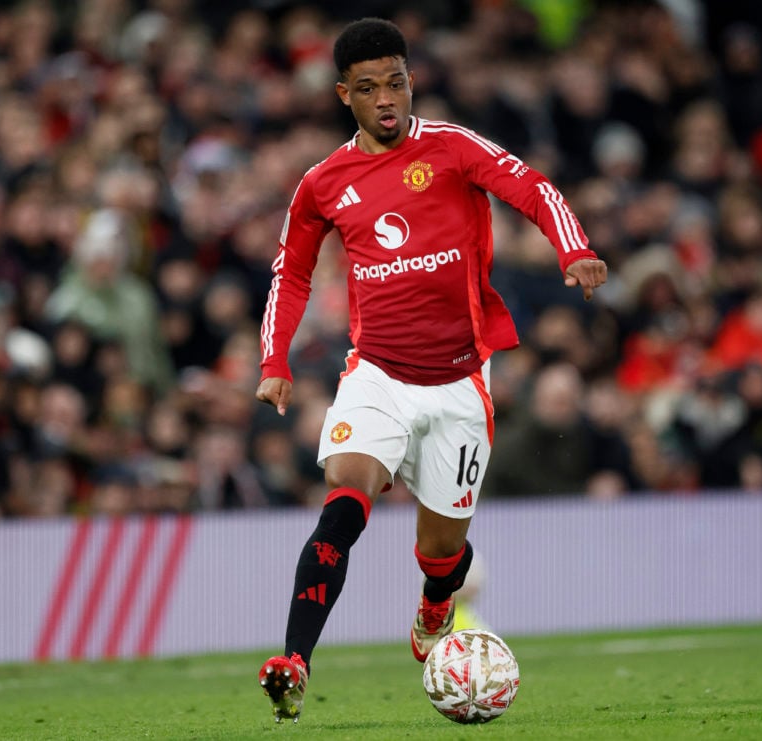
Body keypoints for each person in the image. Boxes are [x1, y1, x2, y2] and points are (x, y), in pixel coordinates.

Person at [253, 18, 607, 723]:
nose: (387, 98)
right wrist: (274, 360)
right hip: (376, 376)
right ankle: (294, 661)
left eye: (397, 81)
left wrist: (574, 249)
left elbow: (532, 186)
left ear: (410, 80)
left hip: (457, 385)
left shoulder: (449, 147)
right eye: (369, 88)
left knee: (441, 550)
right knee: (345, 502)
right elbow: (290, 271)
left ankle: (437, 600)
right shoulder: (323, 182)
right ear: (341, 95)